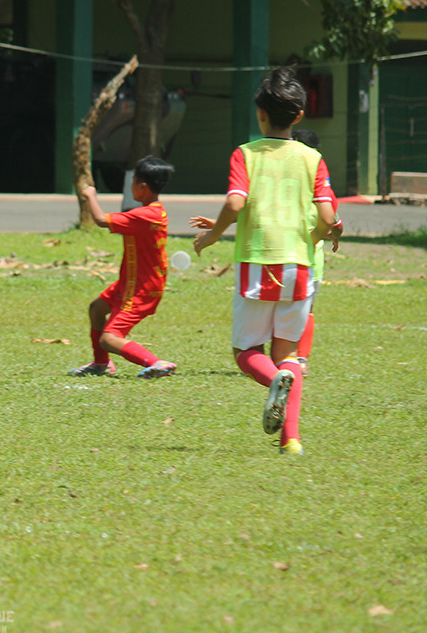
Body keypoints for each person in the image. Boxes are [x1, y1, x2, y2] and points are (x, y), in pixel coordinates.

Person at [191, 66, 340, 457]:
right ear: (299, 117)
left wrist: (213, 233)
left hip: (258, 263)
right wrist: (325, 237)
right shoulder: (313, 158)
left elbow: (235, 201)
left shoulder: (246, 154)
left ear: (260, 113)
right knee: (289, 355)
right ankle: (291, 439)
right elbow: (327, 219)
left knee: (246, 353)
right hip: (300, 266)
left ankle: (275, 382)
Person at [68, 155, 177, 379]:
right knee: (96, 309)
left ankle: (157, 363)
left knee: (109, 338)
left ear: (141, 187)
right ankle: (101, 364)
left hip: (141, 288)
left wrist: (90, 195)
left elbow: (100, 219)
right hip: (131, 282)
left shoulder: (145, 215)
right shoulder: (153, 211)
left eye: (132, 183)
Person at [290, 128, 341, 377]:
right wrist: (331, 234)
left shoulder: (285, 182)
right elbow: (334, 222)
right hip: (312, 260)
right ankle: (300, 360)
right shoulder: (322, 186)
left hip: (283, 257)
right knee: (305, 310)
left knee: (279, 309)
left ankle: (280, 359)